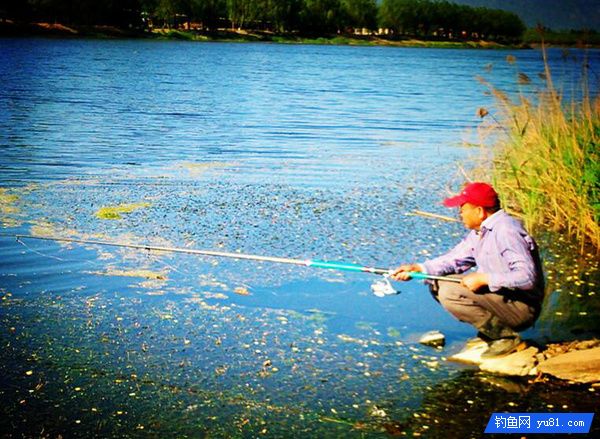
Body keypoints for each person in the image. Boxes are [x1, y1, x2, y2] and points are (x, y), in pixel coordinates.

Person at [391, 182, 544, 358]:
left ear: (479, 211)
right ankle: (491, 333)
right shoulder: (480, 232)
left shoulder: (506, 230)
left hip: (522, 307)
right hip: (505, 299)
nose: (460, 213)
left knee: (450, 291)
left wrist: (484, 279)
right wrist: (418, 268)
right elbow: (454, 259)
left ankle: (505, 338)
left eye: (463, 209)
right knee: (437, 282)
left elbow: (526, 277)